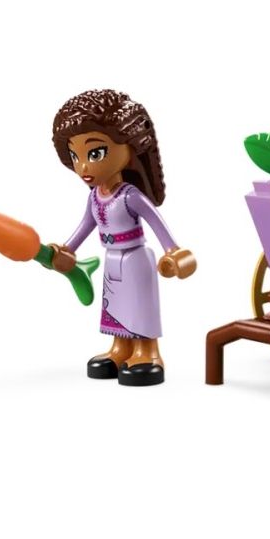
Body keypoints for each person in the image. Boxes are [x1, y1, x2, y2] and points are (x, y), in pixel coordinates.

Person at [49, 89, 196, 387]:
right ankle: (120, 349)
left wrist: (173, 251)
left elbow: (158, 224)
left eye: (95, 153)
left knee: (140, 306)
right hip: (111, 258)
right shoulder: (95, 197)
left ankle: (148, 353)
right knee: (114, 306)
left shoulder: (130, 196)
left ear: (129, 149)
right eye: (76, 156)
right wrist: (66, 250)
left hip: (136, 259)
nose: (84, 166)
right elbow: (85, 226)